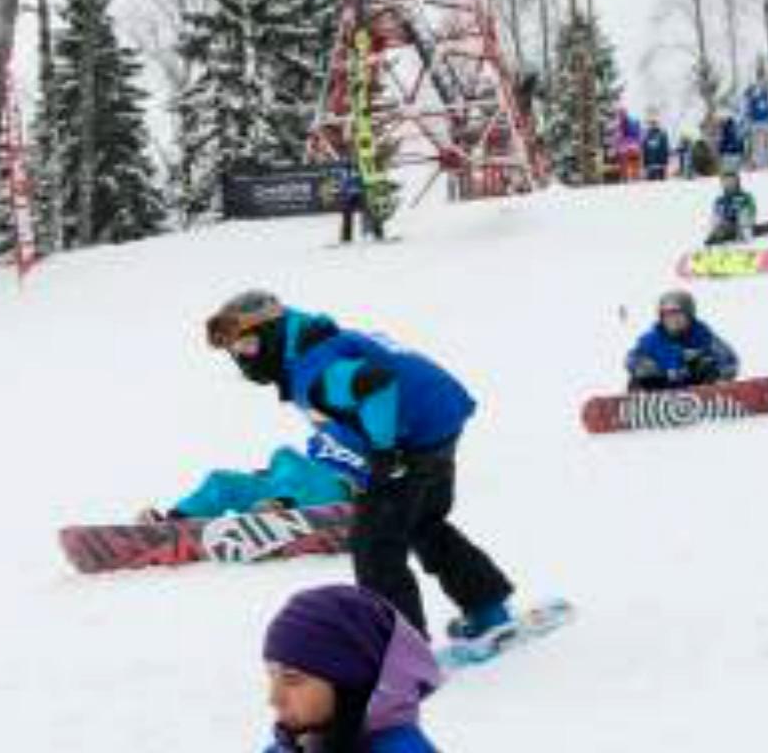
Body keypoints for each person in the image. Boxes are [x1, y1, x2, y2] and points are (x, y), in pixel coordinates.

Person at [204, 291, 517, 647]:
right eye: (235, 352)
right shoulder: (320, 342)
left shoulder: (311, 367)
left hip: (410, 439)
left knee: (374, 545)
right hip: (439, 421)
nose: (243, 360)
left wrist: (383, 450)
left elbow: (374, 382)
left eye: (247, 346)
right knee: (424, 524)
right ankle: (488, 609)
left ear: (273, 335)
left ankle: (401, 648)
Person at [262, 584, 442, 752]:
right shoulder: (295, 743)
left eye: (292, 679)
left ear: (349, 683)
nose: (274, 699)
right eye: (271, 675)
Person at [137, 422, 368, 523]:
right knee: (221, 480)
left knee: (305, 471)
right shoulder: (322, 435)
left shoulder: (377, 438)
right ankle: (178, 521)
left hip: (333, 491)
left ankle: (283, 507)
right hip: (280, 484)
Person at [625, 290, 740, 391]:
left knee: (707, 366)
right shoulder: (651, 340)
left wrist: (715, 370)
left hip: (695, 389)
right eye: (667, 316)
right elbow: (631, 359)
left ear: (689, 316)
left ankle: (713, 398)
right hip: (661, 390)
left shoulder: (703, 337)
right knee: (640, 377)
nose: (673, 320)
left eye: (678, 314)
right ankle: (637, 405)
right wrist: (643, 365)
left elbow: (729, 360)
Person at [704, 171, 757, 245]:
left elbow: (751, 210)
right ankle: (715, 239)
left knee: (743, 213)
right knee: (717, 217)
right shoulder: (720, 200)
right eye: (726, 182)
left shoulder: (745, 196)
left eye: (732, 181)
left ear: (737, 182)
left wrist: (746, 215)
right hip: (727, 225)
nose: (729, 184)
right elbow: (716, 215)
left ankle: (745, 238)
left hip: (742, 223)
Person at [743, 76, 768, 168]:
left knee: (767, 144)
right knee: (758, 144)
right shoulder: (752, 98)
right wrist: (748, 123)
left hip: (767, 123)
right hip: (757, 124)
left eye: (763, 85)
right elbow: (748, 111)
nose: (761, 87)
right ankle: (759, 163)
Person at [338, 162, 368, 244]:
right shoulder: (344, 173)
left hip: (359, 194)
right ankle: (346, 237)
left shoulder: (359, 171)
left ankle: (376, 233)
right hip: (349, 196)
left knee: (370, 212)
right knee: (347, 217)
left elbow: (364, 181)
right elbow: (343, 185)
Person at [615, 109, 644, 181]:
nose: (621, 116)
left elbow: (638, 134)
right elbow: (617, 137)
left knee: (634, 164)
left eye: (622, 114)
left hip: (631, 146)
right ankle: (626, 178)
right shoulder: (618, 124)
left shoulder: (633, 122)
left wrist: (636, 144)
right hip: (625, 148)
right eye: (620, 114)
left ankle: (635, 177)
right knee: (624, 165)